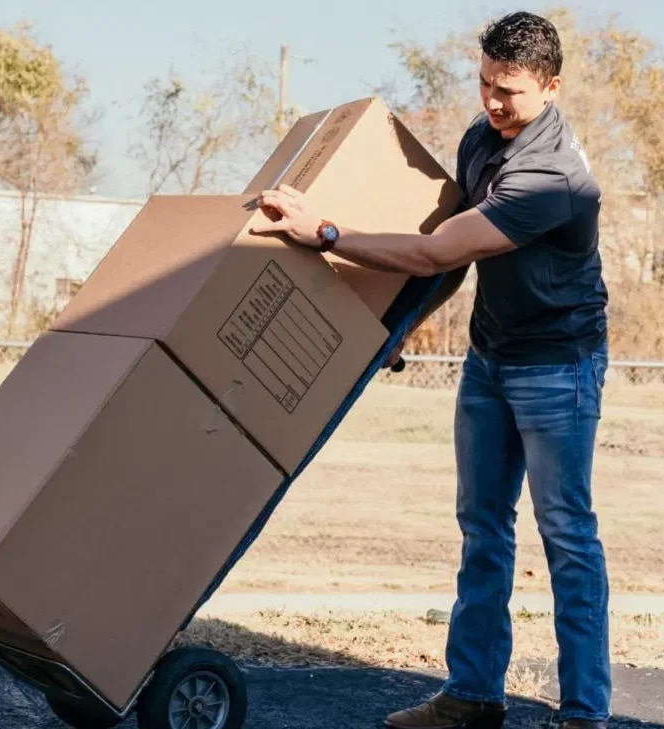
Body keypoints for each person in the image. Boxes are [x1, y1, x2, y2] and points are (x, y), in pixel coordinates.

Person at [250, 11, 611, 729]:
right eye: (483, 83)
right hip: (489, 358)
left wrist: (324, 233)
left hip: (557, 367)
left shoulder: (553, 178)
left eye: (508, 89)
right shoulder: (483, 140)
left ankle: (583, 713)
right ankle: (473, 694)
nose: (491, 101)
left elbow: (438, 250)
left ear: (551, 85)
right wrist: (404, 324)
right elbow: (452, 257)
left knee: (566, 532)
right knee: (482, 526)